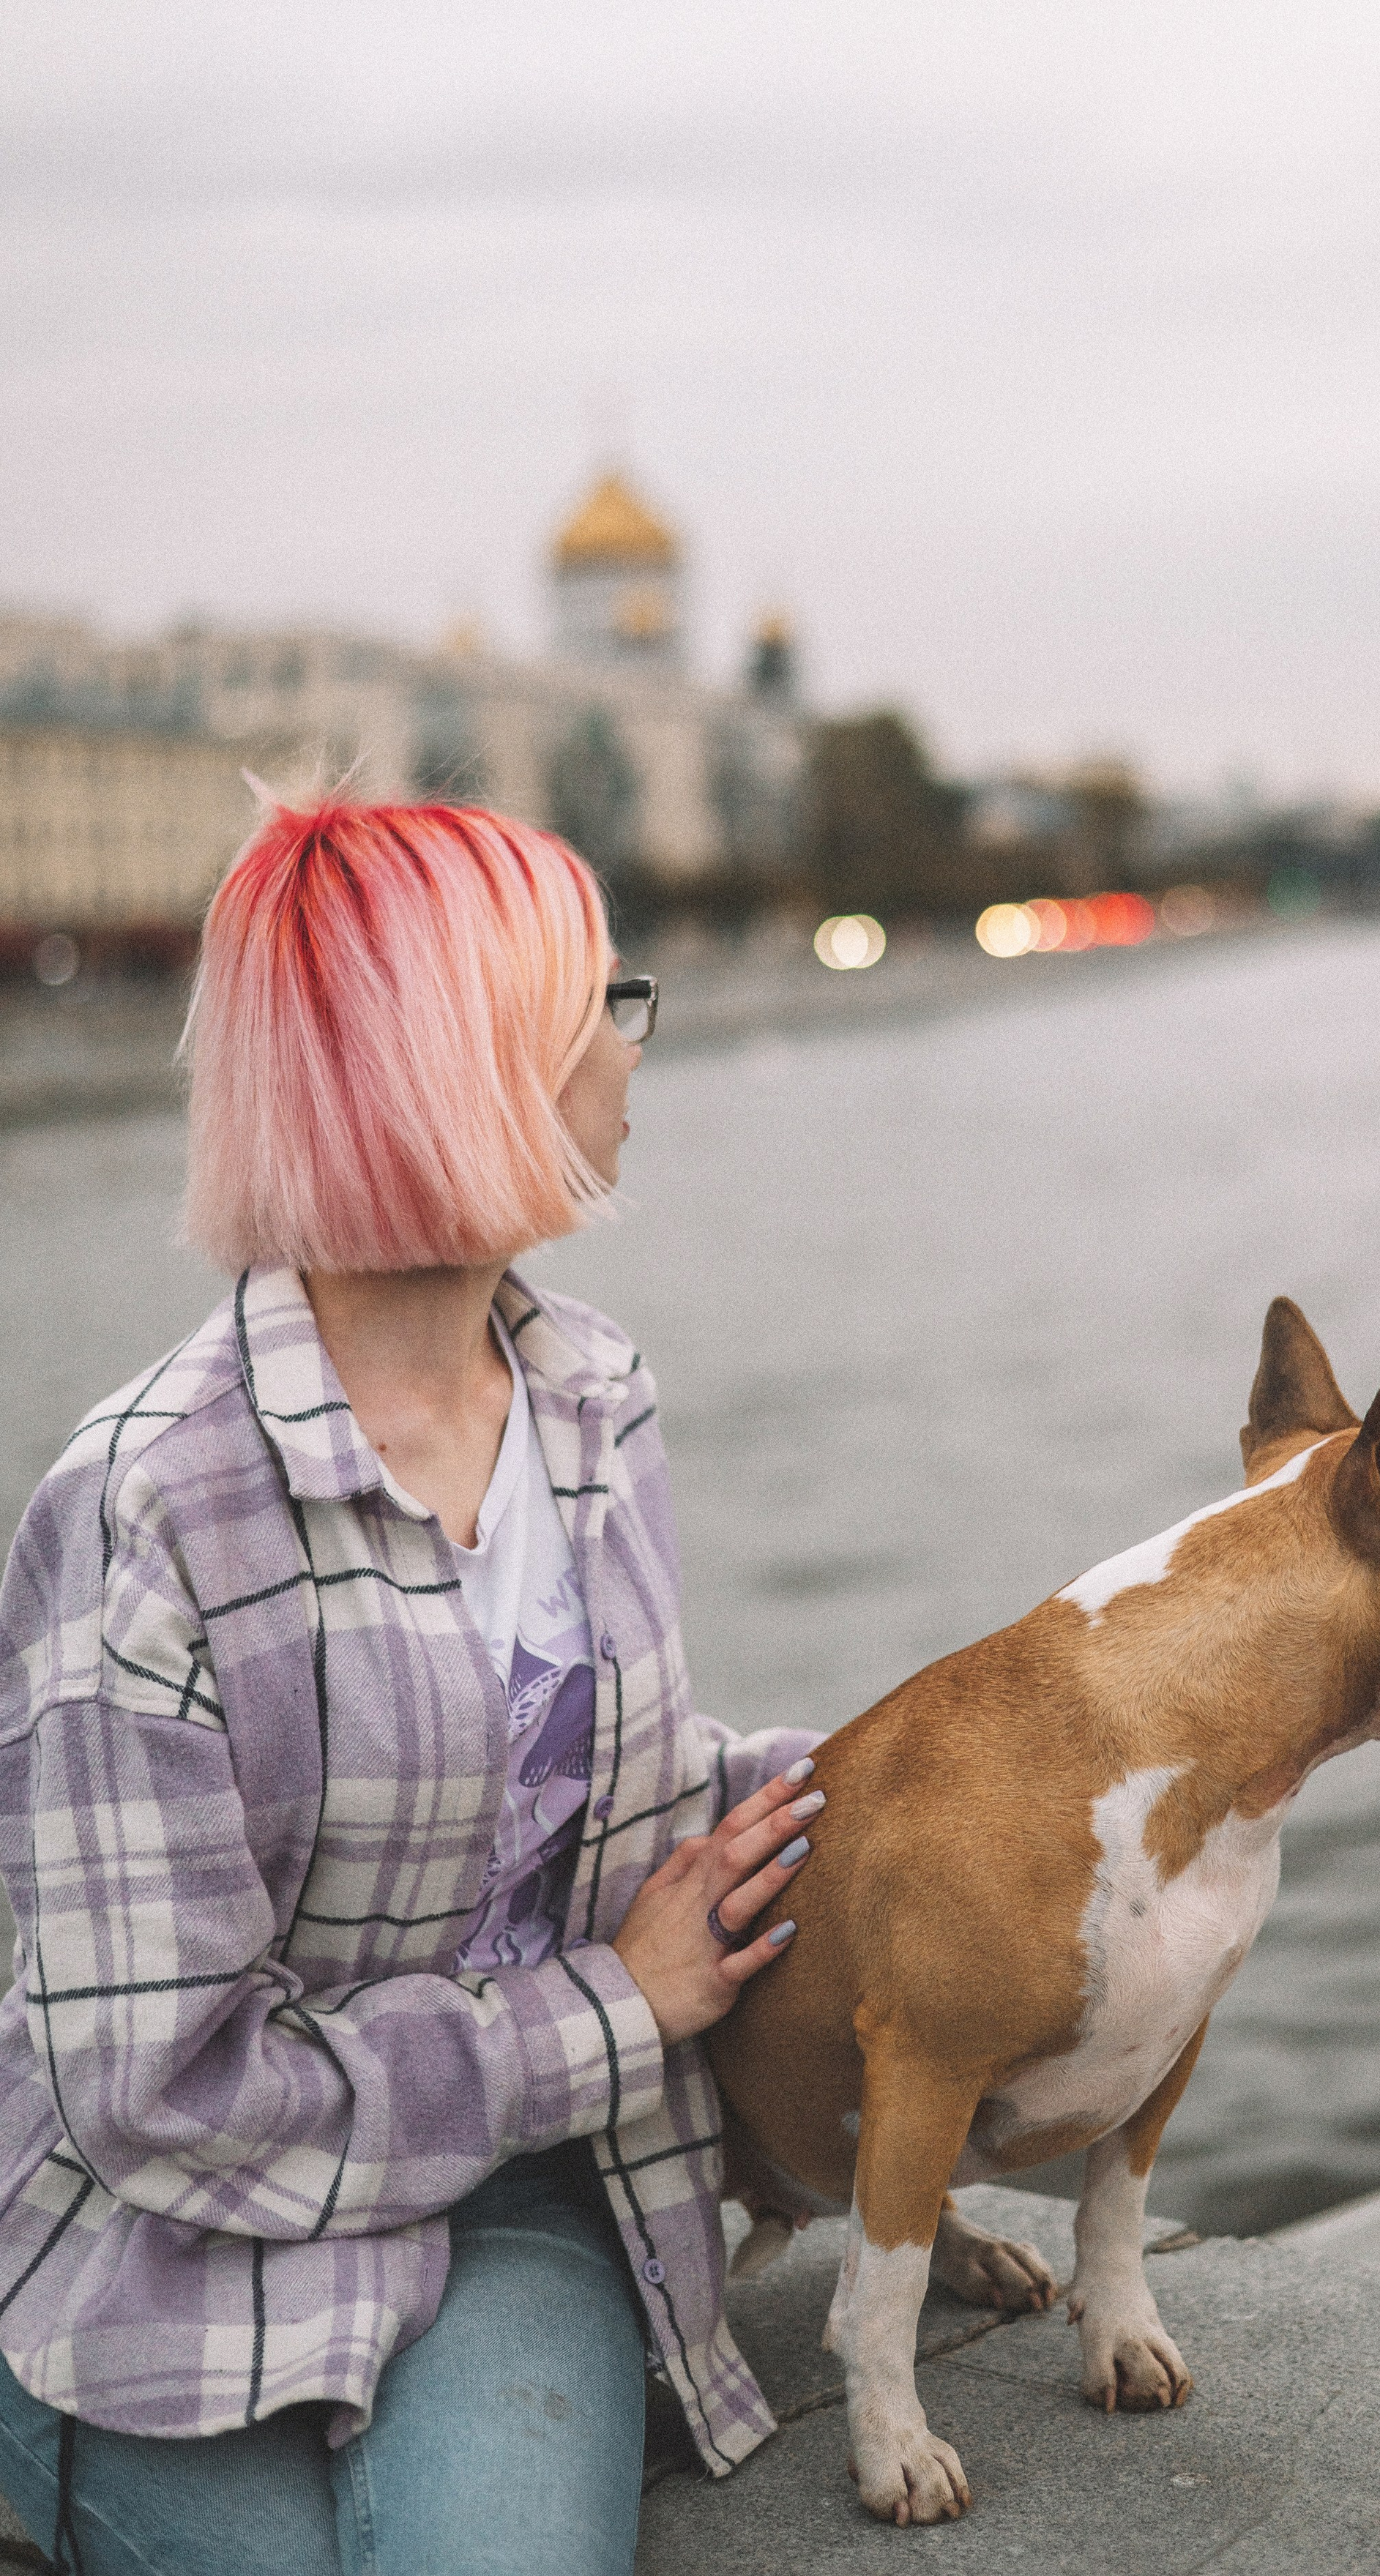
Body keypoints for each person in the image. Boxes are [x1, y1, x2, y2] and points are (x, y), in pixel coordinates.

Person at [0, 795, 820, 2575]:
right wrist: (615, 2005)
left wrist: (960, 1776)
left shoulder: (593, 1395)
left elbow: (611, 1790)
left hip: (511, 2185)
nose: (630, 1041)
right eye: (600, 998)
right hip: (162, 2234)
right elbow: (156, 2091)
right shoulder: (150, 1505)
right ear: (467, 1064)